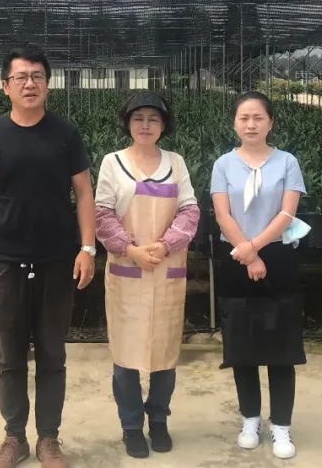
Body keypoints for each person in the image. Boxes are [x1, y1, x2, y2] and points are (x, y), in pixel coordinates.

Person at [0, 44, 97, 468]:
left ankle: (49, 439)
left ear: (48, 84)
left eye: (37, 76)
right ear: (5, 86)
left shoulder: (65, 134)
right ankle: (14, 437)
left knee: (53, 355)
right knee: (9, 356)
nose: (29, 84)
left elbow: (84, 192)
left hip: (55, 262)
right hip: (4, 263)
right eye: (20, 77)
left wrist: (87, 248)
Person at [94, 92, 199, 459]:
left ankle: (158, 420)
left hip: (166, 270)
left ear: (163, 125)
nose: (145, 125)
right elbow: (102, 214)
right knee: (126, 355)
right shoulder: (113, 163)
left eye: (153, 119)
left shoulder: (175, 163)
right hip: (128, 272)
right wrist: (131, 249)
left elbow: (190, 210)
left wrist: (166, 245)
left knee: (164, 355)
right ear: (127, 123)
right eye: (138, 118)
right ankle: (130, 426)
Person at [210, 91, 307, 460]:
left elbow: (287, 214)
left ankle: (281, 424)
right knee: (242, 344)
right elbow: (222, 215)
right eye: (244, 118)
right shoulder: (223, 164)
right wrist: (247, 253)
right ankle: (249, 419)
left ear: (270, 122)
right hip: (235, 257)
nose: (250, 125)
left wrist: (255, 249)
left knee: (282, 344)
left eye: (258, 118)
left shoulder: (287, 162)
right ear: (234, 123)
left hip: (278, 258)